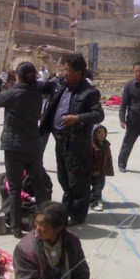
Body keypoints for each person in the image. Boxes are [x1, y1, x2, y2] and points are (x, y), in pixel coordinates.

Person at [0, 62, 49, 238]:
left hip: (14, 147)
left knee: (14, 188)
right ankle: (47, 220)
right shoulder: (37, 91)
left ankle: (15, 227)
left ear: (19, 76)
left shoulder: (13, 94)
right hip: (32, 145)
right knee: (39, 186)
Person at [40, 54, 104, 226]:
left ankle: (78, 215)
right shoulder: (61, 86)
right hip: (60, 140)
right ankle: (67, 209)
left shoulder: (89, 92)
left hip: (77, 142)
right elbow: (43, 88)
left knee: (78, 181)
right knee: (63, 177)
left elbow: (98, 114)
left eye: (67, 70)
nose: (64, 73)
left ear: (79, 72)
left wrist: (77, 118)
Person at [13, 201, 90, 279]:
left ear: (59, 228)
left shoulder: (72, 242)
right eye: (36, 223)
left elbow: (82, 274)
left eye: (42, 225)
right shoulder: (24, 250)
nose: (37, 229)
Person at [90, 124, 114, 212]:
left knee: (101, 185)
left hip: (102, 171)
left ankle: (97, 197)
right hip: (93, 172)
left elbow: (108, 158)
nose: (102, 135)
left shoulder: (106, 144)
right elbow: (88, 160)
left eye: (103, 132)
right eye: (99, 133)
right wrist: (92, 170)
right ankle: (93, 203)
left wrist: (109, 169)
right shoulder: (91, 145)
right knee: (97, 187)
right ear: (94, 134)